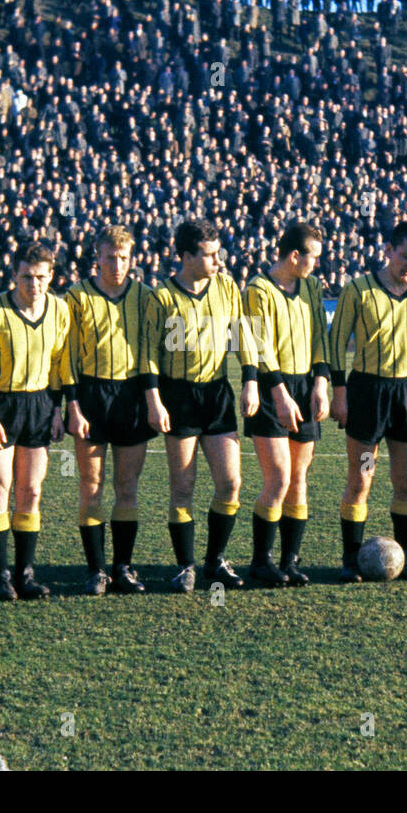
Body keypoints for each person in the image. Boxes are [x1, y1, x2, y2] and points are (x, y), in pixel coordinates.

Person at [328, 220, 407, 583]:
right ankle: (350, 560)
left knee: (406, 481)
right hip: (368, 397)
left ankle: (406, 559)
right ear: (389, 250)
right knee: (362, 478)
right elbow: (335, 344)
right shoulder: (357, 290)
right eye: (406, 255)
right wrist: (339, 393)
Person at [143, 221, 244, 593]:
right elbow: (149, 355)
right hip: (178, 396)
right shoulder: (162, 296)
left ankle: (215, 560)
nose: (218, 260)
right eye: (209, 253)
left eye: (219, 252)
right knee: (183, 486)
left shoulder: (227, 287)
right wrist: (154, 400)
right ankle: (185, 565)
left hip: (217, 395)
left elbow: (245, 336)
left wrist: (249, 381)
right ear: (186, 256)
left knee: (230, 483)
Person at [63, 226, 155, 596]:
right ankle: (96, 569)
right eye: (110, 257)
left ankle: (123, 567)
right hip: (90, 394)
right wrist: (72, 405)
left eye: (123, 258)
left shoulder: (144, 296)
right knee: (91, 486)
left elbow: (152, 351)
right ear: (97, 258)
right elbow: (66, 356)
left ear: (131, 259)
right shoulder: (77, 296)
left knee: (127, 487)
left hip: (132, 394)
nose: (116, 265)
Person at [238, 223, 331, 586]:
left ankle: (290, 561)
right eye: (313, 258)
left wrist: (321, 383)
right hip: (269, 388)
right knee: (278, 477)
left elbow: (320, 336)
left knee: (299, 479)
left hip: (305, 385)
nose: (316, 265)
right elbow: (259, 346)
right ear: (295, 255)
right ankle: (261, 561)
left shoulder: (311, 287)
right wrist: (279, 394)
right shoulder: (258, 289)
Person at [0, 242, 69, 601]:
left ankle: (25, 574)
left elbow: (62, 361)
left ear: (51, 277)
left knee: (30, 492)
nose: (34, 284)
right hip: (1, 404)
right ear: (14, 276)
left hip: (40, 404)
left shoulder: (59, 310)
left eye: (41, 277)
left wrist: (58, 408)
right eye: (27, 277)